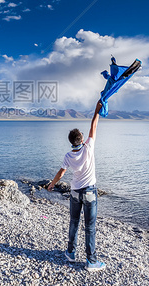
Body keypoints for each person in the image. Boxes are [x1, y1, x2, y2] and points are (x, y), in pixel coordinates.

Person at [47, 100, 106, 272]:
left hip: (74, 192)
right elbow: (94, 126)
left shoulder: (68, 155)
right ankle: (91, 261)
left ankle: (71, 253)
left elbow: (61, 173)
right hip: (89, 192)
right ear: (81, 139)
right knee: (90, 227)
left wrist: (52, 184)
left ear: (71, 142)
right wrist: (97, 109)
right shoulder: (88, 148)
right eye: (81, 133)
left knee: (74, 222)